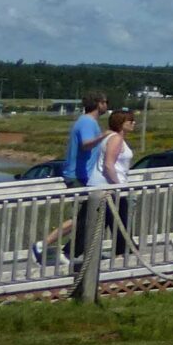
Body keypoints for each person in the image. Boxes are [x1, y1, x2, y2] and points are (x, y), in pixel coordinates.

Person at [32, 94, 111, 267]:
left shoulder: (89, 122)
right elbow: (85, 144)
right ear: (98, 104)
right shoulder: (87, 122)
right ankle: (44, 245)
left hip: (84, 176)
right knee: (82, 218)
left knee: (89, 216)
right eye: (105, 102)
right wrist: (104, 136)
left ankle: (81, 250)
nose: (107, 105)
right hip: (77, 176)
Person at [86, 108, 137, 256]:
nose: (134, 123)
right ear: (121, 123)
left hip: (110, 188)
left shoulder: (114, 138)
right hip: (109, 188)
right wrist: (119, 186)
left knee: (118, 225)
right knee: (117, 225)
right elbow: (109, 165)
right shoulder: (115, 139)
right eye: (130, 121)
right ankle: (70, 251)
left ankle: (125, 252)